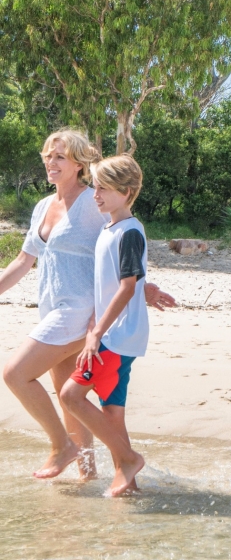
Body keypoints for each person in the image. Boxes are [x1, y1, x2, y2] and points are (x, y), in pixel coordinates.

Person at [0, 129, 175, 480]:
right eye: (48, 155)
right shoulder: (41, 207)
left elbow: (121, 244)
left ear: (79, 163)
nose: (51, 161)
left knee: (15, 374)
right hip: (52, 308)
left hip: (80, 312)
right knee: (69, 402)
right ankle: (88, 477)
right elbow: (23, 261)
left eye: (60, 156)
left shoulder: (92, 203)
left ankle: (62, 447)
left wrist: (144, 288)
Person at [61, 154, 149, 497]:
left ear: (126, 192)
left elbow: (128, 286)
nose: (95, 194)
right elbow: (122, 282)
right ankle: (128, 485)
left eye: (104, 188)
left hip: (117, 336)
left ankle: (128, 459)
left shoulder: (128, 231)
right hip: (114, 334)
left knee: (71, 395)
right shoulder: (110, 229)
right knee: (112, 414)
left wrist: (97, 333)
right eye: (95, 186)